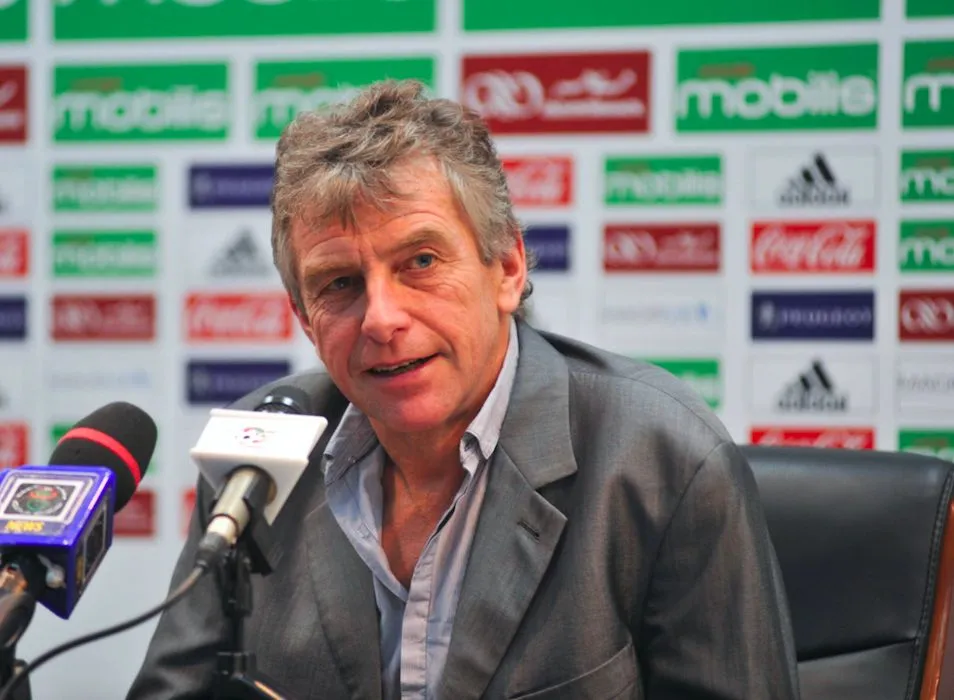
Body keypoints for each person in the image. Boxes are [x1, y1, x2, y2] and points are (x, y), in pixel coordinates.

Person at [128, 80, 800, 699]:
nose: (382, 319)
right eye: (340, 284)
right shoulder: (262, 453)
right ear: (305, 319)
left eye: (420, 262)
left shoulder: (660, 461)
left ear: (507, 268)